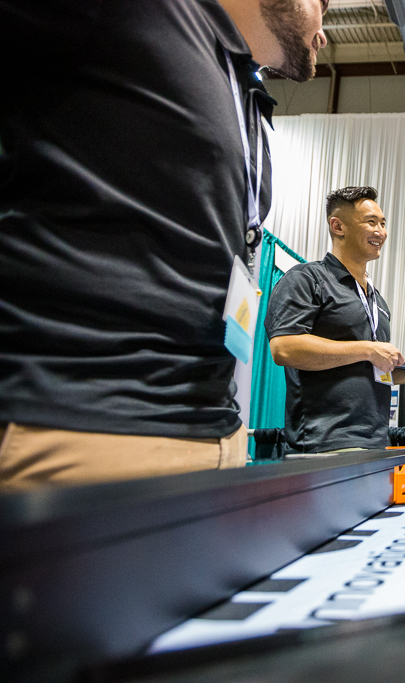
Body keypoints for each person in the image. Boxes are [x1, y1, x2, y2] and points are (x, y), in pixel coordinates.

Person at [0, 0, 329, 491]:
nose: (324, 32)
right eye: (322, 4)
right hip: (86, 427)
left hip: (215, 434)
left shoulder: (239, 83)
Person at [265, 187, 405, 453]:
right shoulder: (306, 279)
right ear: (338, 226)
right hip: (324, 444)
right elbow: (284, 348)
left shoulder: (378, 301)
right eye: (371, 222)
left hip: (376, 442)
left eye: (383, 224)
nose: (381, 232)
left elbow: (371, 370)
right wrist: (367, 348)